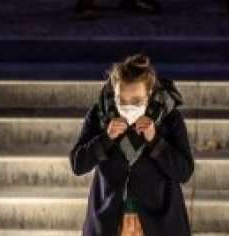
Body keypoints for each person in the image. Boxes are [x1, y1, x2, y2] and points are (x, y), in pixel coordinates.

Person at [71, 54, 194, 236]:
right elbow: (78, 164)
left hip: (159, 220)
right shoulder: (100, 115)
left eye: (136, 101)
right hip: (110, 219)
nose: (129, 107)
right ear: (115, 93)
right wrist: (106, 138)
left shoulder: (169, 118)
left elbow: (183, 172)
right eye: (122, 101)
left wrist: (155, 141)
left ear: (149, 93)